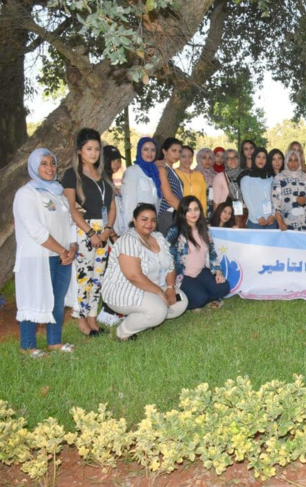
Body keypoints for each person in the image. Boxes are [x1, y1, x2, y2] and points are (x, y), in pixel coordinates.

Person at [14, 148, 78, 357]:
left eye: (52, 163)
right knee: (33, 298)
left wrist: (72, 247)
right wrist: (62, 250)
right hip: (37, 257)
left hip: (62, 257)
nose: (50, 168)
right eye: (44, 164)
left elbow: (70, 223)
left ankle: (54, 342)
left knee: (57, 300)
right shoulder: (26, 194)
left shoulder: (57, 193)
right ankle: (28, 346)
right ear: (34, 167)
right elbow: (35, 230)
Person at [101, 203, 188, 341]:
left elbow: (170, 266)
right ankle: (123, 332)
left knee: (180, 301)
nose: (149, 223)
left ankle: (146, 317)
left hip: (151, 287)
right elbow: (134, 276)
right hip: (124, 289)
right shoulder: (128, 240)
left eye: (153, 220)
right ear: (135, 220)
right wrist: (160, 293)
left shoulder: (158, 237)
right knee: (159, 310)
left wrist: (171, 288)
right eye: (144, 219)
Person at [62, 128, 116, 336]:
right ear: (79, 151)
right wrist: (91, 233)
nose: (94, 153)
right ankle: (81, 318)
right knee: (84, 276)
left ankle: (93, 318)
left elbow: (112, 206)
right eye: (89, 149)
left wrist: (107, 230)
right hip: (84, 230)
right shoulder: (71, 175)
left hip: (104, 231)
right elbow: (71, 208)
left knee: (98, 276)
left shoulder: (104, 175)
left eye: (96, 149)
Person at [166, 196, 230, 310]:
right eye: (189, 210)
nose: (193, 213)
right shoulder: (175, 230)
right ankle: (184, 299)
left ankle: (200, 296)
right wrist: (171, 283)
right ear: (182, 212)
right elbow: (166, 256)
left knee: (224, 287)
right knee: (200, 298)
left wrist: (218, 272)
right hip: (183, 276)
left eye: (196, 209)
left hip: (200, 272)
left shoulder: (204, 229)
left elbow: (212, 253)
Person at [121, 137, 161, 238]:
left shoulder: (154, 172)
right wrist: (131, 227)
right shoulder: (132, 171)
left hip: (151, 224)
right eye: (146, 149)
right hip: (137, 225)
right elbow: (128, 202)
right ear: (139, 151)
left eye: (153, 150)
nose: (150, 153)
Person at [273, 149, 306, 232]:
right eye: (290, 160)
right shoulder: (279, 178)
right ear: (286, 161)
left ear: (299, 161)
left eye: (296, 160)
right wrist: (280, 223)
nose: (293, 163)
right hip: (287, 224)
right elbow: (276, 204)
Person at [240, 148, 277, 229]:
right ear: (254, 158)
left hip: (271, 221)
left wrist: (273, 215)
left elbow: (276, 198)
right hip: (255, 222)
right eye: (258, 157)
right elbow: (248, 201)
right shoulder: (246, 178)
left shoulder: (271, 177)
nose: (261, 160)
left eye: (264, 157)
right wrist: (258, 217)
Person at [155, 137, 184, 234]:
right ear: (164, 151)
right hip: (167, 213)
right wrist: (185, 211)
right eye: (174, 150)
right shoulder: (162, 169)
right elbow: (168, 197)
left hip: (176, 213)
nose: (177, 154)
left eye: (179, 151)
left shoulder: (172, 170)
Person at [211, 148, 244, 227]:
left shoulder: (244, 175)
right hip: (227, 218)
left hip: (243, 216)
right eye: (229, 158)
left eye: (235, 157)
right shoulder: (220, 177)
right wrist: (218, 224)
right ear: (225, 161)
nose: (232, 160)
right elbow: (216, 203)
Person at [175, 145, 207, 214]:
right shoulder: (173, 173)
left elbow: (203, 199)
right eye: (183, 156)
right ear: (179, 157)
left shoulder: (199, 176)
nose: (187, 159)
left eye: (190, 156)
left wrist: (203, 216)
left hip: (196, 215)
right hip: (180, 213)